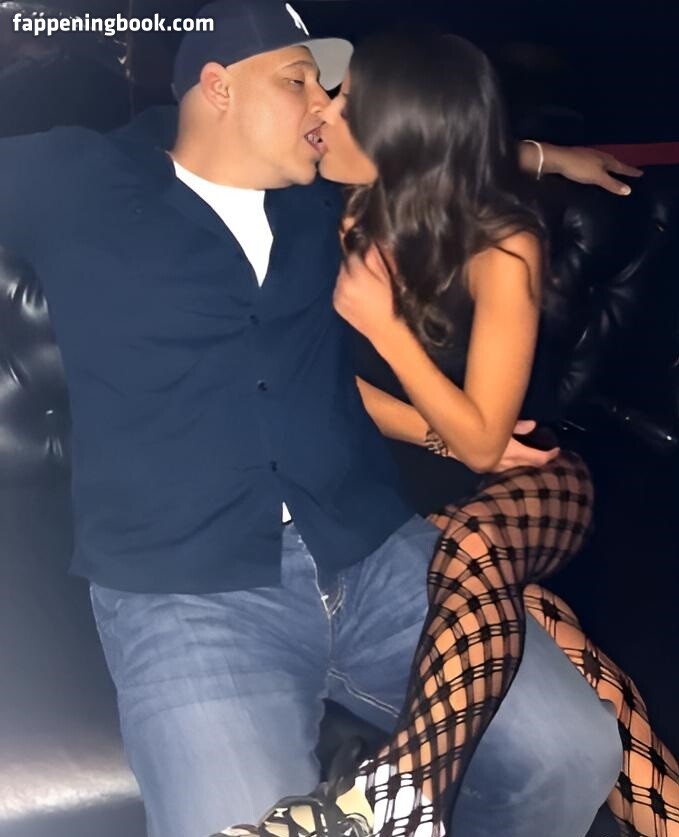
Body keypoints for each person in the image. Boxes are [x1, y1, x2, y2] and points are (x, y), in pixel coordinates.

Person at [0, 4, 640, 837]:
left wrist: (551, 156)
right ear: (219, 86)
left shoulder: (327, 196)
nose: (323, 106)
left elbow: (435, 151)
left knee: (571, 750)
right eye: (298, 79)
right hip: (188, 590)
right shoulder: (79, 177)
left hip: (374, 552)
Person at [215, 29, 677, 837]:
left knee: (471, 547)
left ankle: (398, 795)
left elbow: (484, 444)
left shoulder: (502, 244)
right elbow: (322, 381)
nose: (321, 112)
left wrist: (387, 328)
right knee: (557, 652)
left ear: (400, 135)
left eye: (345, 104)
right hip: (416, 499)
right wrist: (425, 430)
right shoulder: (320, 211)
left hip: (526, 475)